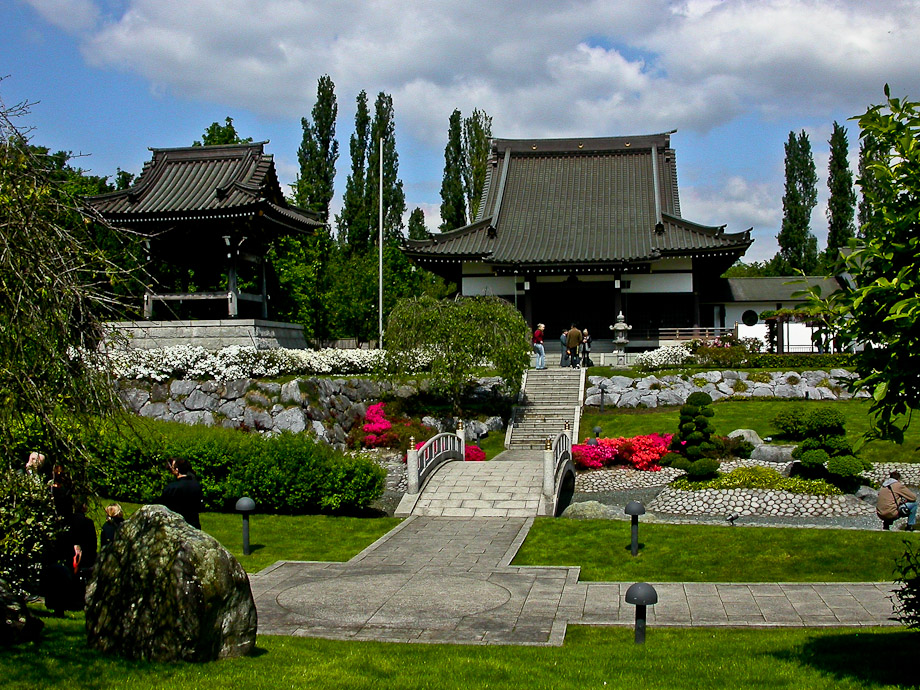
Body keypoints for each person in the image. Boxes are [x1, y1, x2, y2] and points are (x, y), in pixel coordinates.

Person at [42, 501, 97, 615]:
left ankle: (65, 602)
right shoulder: (87, 523)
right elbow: (92, 543)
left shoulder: (67, 521)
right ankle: (76, 601)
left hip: (68, 553)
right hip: (84, 555)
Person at [159, 457, 202, 529]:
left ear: (177, 470)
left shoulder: (172, 488)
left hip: (176, 527)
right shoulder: (197, 485)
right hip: (194, 526)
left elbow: (162, 508)